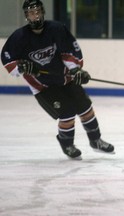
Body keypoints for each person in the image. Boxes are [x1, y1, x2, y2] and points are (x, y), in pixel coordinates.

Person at [1, 0, 114, 160]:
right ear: (27, 16)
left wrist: (76, 69)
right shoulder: (19, 37)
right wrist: (22, 67)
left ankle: (95, 140)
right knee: (67, 112)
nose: (36, 15)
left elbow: (70, 50)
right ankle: (67, 144)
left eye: (38, 11)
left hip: (65, 78)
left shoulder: (56, 28)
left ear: (43, 11)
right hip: (43, 86)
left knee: (85, 107)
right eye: (32, 13)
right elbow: (8, 59)